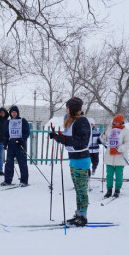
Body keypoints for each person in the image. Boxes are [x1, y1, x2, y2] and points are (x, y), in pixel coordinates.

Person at [50, 97, 91, 226]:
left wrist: (63, 140)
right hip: (74, 160)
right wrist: (57, 137)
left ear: (72, 109)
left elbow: (81, 142)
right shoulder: (72, 121)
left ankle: (83, 216)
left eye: (67, 107)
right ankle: (78, 213)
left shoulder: (82, 121)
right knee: (78, 190)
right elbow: (70, 138)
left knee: (81, 190)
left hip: (81, 160)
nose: (66, 110)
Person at [100, 114, 129, 198]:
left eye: (117, 122)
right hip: (110, 155)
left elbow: (128, 143)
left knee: (118, 174)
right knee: (109, 174)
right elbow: (104, 139)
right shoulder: (110, 129)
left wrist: (121, 148)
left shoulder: (125, 130)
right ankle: (109, 190)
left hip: (120, 156)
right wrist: (102, 137)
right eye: (114, 122)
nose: (115, 123)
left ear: (121, 122)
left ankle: (117, 189)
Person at [1, 105, 30, 186]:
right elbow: (6, 134)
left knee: (22, 163)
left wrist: (22, 139)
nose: (13, 113)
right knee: (9, 163)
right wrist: (5, 143)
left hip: (20, 144)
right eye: (12, 112)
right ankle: (7, 180)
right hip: (11, 144)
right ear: (10, 113)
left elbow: (26, 132)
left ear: (17, 113)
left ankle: (24, 181)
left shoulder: (22, 120)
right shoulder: (8, 122)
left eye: (15, 112)